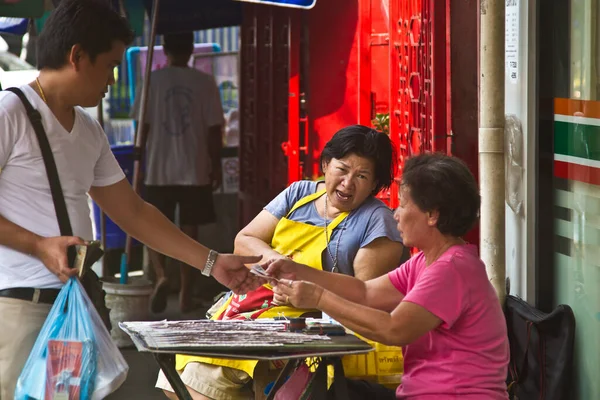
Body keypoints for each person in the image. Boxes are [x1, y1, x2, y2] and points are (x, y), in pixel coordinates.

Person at [0, 2, 260, 398]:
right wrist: (37, 245)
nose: (112, 78)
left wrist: (212, 263)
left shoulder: (89, 131)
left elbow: (134, 212)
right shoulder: (9, 113)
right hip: (20, 305)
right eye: (110, 65)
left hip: (76, 308)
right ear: (77, 57)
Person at [156, 125, 406, 400]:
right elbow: (244, 240)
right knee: (177, 376)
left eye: (362, 176)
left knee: (205, 378)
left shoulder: (376, 221)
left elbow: (366, 296)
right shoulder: (299, 194)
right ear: (325, 164)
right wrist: (278, 262)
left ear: (374, 184)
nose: (348, 183)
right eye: (342, 169)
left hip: (312, 324)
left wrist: (308, 290)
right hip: (255, 309)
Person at [267, 153, 510, 399]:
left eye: (403, 205)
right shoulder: (426, 261)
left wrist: (318, 297)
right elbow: (365, 292)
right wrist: (298, 271)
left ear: (432, 215)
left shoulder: (452, 269)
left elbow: (394, 329)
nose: (396, 214)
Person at [131, 32, 225, 313]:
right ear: (192, 50)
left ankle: (161, 275)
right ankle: (185, 294)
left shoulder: (153, 80)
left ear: (166, 51)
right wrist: (216, 164)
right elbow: (213, 129)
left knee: (152, 227)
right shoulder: (205, 82)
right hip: (194, 168)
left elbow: (142, 128)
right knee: (190, 234)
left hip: (159, 168)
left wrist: (140, 163)